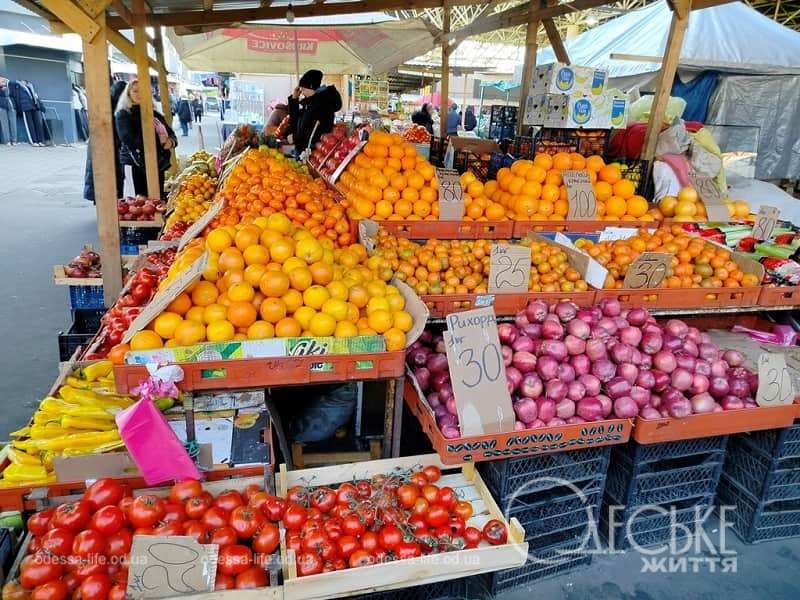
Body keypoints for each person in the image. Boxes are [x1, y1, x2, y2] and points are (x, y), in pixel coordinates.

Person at [115, 79, 177, 198]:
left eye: (143, 91)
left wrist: (166, 141)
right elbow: (130, 140)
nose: (139, 94)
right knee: (137, 201)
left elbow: (172, 136)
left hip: (157, 164)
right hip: (134, 164)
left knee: (156, 199)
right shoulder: (123, 114)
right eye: (135, 91)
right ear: (128, 94)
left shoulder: (154, 114)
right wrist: (159, 141)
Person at [84, 80, 127, 203]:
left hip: (100, 148)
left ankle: (106, 206)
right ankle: (109, 212)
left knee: (102, 180)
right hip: (108, 149)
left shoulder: (106, 106)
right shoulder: (117, 110)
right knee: (109, 179)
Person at [288, 69, 342, 154]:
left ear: (311, 87)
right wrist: (294, 100)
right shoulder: (310, 104)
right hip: (305, 151)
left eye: (304, 89)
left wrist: (295, 137)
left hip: (315, 153)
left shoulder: (322, 105)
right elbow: (296, 121)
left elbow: (317, 132)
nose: (301, 92)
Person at [0, 77, 17, 145]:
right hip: (1, 106)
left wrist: (7, 83)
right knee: (4, 123)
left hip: (11, 105)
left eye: (4, 81)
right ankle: (7, 141)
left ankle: (14, 140)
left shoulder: (9, 86)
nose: (3, 82)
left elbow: (14, 83)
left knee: (13, 122)